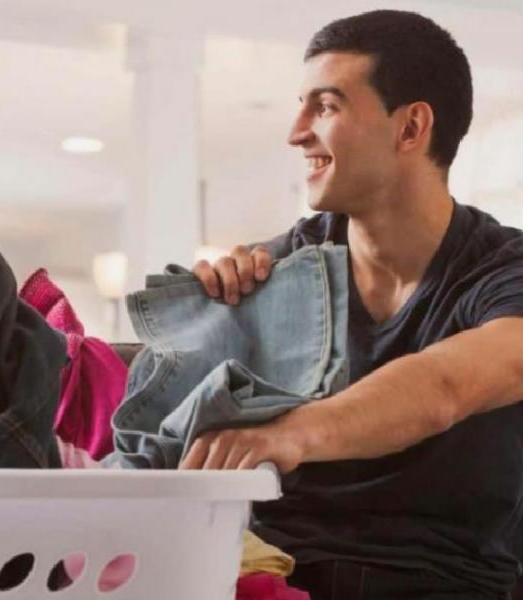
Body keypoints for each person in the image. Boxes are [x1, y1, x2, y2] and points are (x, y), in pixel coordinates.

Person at [184, 10, 523, 599]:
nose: (296, 132)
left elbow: (445, 385)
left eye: (326, 106)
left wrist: (292, 435)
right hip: (276, 575)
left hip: (439, 583)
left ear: (411, 128)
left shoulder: (504, 272)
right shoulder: (273, 271)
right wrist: (206, 315)